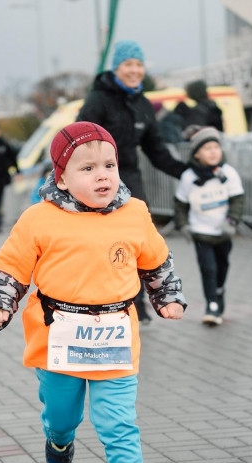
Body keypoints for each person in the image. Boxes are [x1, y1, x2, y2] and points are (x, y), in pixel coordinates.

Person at [0, 122, 186, 463]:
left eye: (109, 165)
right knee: (61, 412)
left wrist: (168, 297)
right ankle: (59, 437)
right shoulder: (38, 218)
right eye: (88, 168)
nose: (103, 175)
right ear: (61, 178)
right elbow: (11, 268)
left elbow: (157, 262)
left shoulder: (135, 213)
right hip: (59, 339)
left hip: (115, 337)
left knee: (119, 426)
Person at [78, 40, 188, 324]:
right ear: (116, 68)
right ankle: (97, 300)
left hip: (131, 182)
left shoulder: (142, 104)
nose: (134, 70)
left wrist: (187, 171)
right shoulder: (98, 100)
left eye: (139, 65)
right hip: (97, 181)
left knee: (136, 241)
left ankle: (136, 304)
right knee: (98, 242)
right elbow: (78, 140)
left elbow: (156, 149)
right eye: (128, 64)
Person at [173, 127, 244, 326]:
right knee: (208, 269)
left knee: (222, 266)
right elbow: (180, 203)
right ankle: (211, 304)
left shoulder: (228, 173)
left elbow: (238, 199)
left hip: (223, 232)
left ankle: (219, 291)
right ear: (196, 153)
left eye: (216, 147)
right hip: (201, 233)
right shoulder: (188, 177)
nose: (213, 152)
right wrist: (183, 225)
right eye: (207, 148)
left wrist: (232, 221)